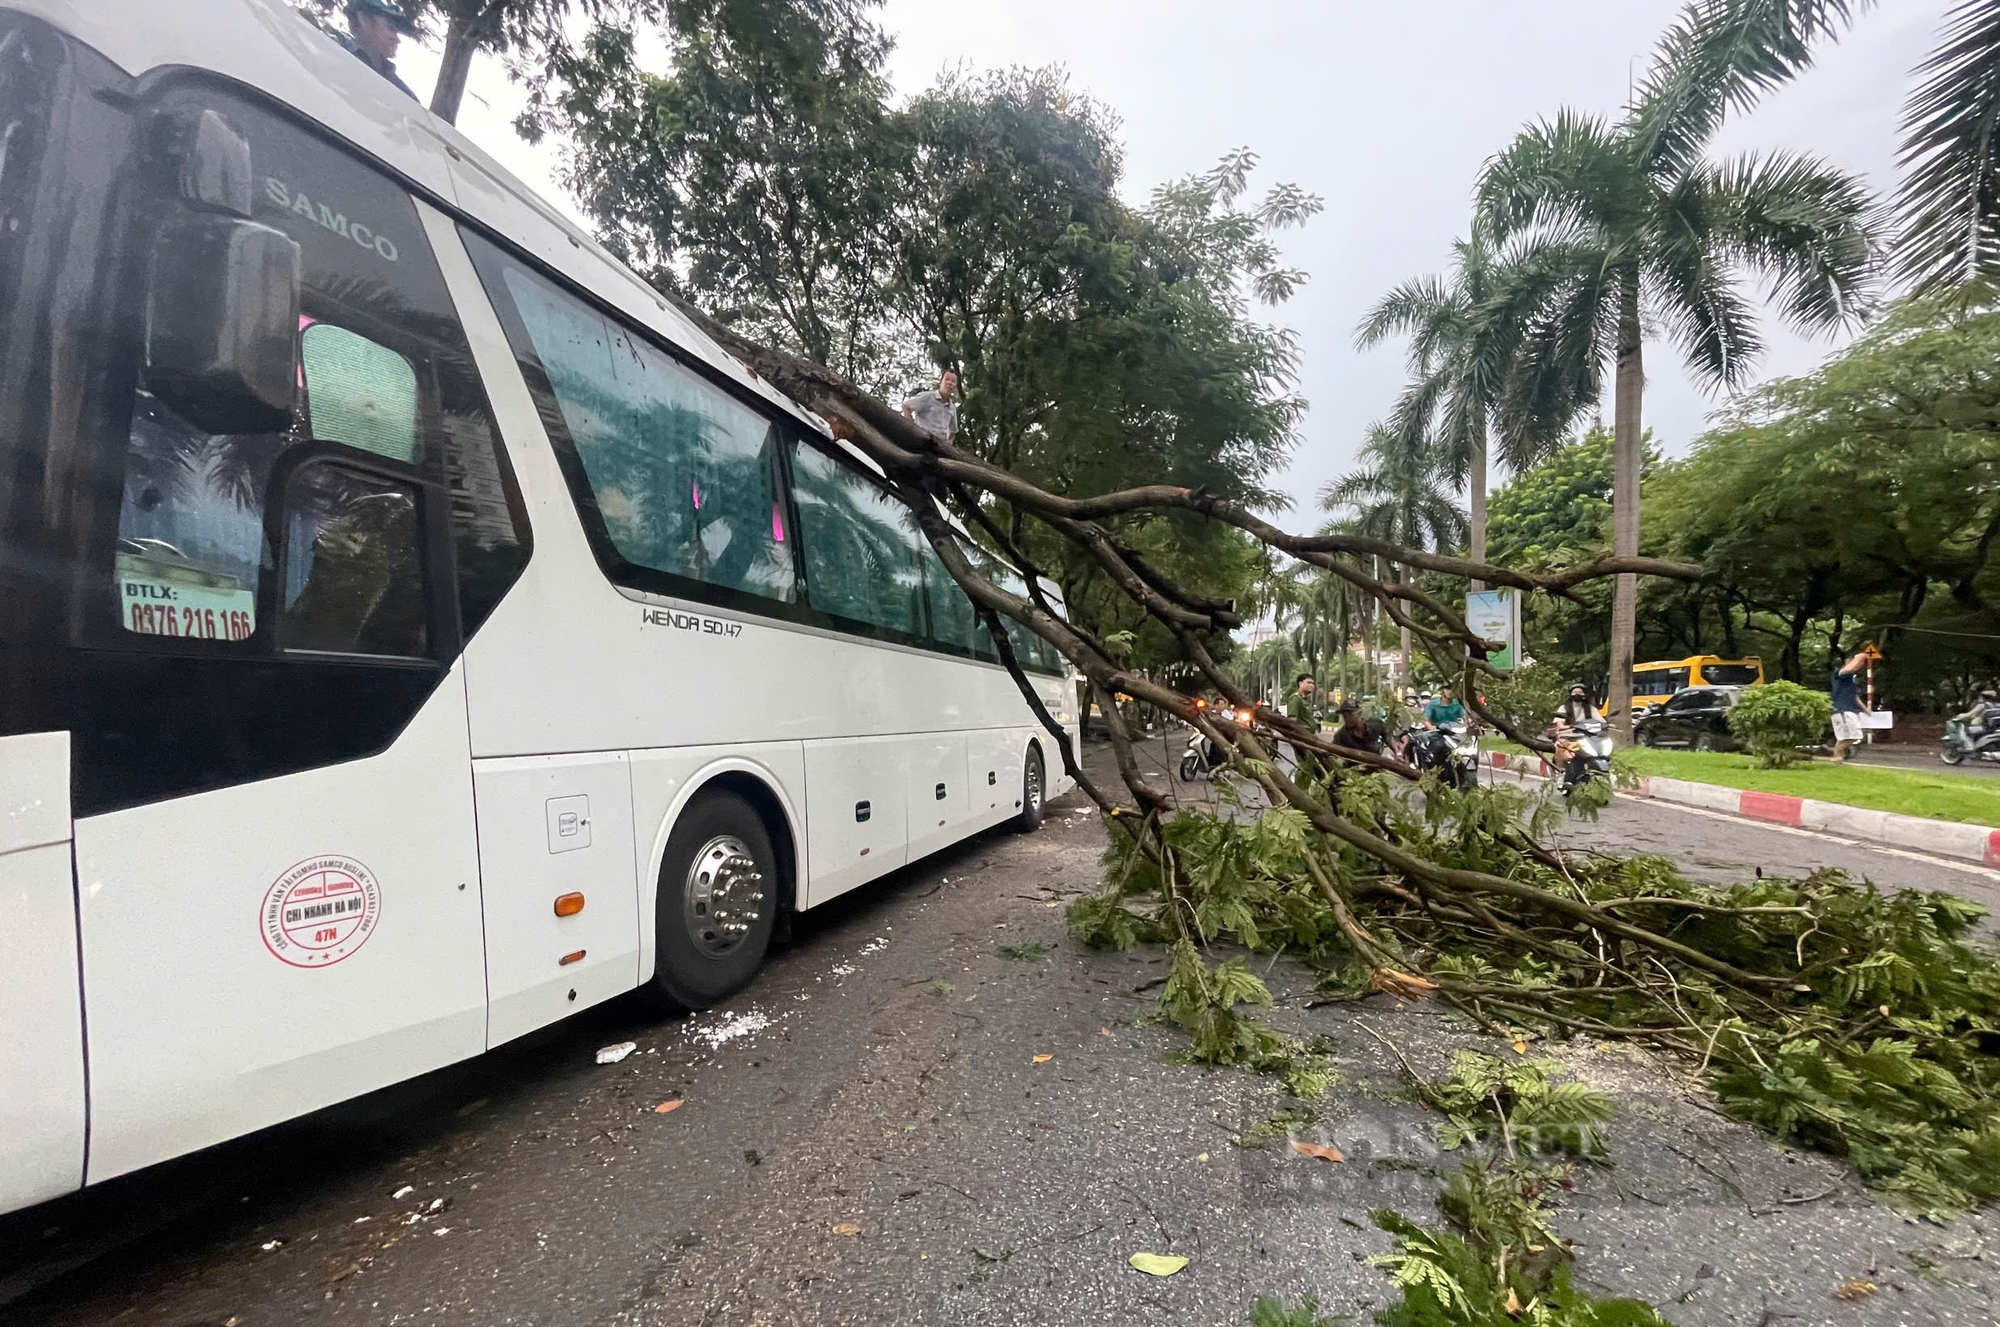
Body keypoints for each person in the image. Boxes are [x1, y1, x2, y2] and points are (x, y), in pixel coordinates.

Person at [339, 0, 419, 101]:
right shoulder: (332, 52)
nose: (397, 40)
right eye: (391, 28)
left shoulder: (403, 93)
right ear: (364, 21)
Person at [1829, 647, 1871, 762]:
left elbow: (1854, 696)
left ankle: (1838, 758)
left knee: (1847, 737)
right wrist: (1858, 658)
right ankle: (1836, 757)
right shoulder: (1840, 674)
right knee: (1850, 737)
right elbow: (1847, 669)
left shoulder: (1851, 678)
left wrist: (1865, 709)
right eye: (1858, 663)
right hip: (1842, 710)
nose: (1859, 665)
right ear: (1848, 661)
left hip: (1847, 710)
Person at [900, 370, 960, 443]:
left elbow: (953, 430)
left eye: (953, 381)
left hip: (940, 446)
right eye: (947, 379)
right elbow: (906, 406)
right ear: (940, 382)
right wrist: (911, 428)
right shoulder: (927, 397)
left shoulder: (952, 408)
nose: (950, 383)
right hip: (922, 441)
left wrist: (949, 444)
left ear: (955, 386)